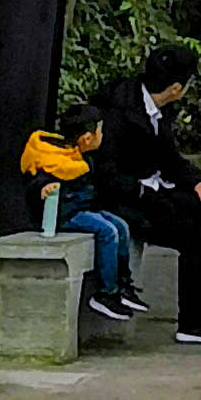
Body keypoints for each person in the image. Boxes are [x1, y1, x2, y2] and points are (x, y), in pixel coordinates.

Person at [83, 43, 201, 348]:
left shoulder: (159, 109)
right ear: (176, 87)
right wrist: (147, 191)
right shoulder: (116, 111)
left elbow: (171, 160)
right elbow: (106, 175)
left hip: (152, 194)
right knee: (193, 231)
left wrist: (198, 181)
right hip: (122, 201)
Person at [22, 115, 140, 326]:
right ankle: (106, 291)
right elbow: (37, 182)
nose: (102, 136)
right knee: (108, 231)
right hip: (67, 214)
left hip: (85, 207)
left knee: (121, 226)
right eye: (99, 132)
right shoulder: (53, 158)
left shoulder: (83, 159)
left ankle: (124, 284)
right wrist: (43, 190)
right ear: (87, 137)